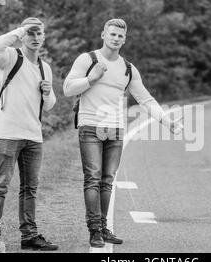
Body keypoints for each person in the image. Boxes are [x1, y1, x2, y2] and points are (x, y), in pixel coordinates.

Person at [63, 18, 183, 248]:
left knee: (107, 181)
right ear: (103, 35)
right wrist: (91, 78)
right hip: (90, 127)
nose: (116, 38)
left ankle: (104, 227)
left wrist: (168, 122)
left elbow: (145, 99)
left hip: (116, 130)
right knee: (93, 178)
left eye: (120, 36)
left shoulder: (128, 69)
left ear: (124, 39)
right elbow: (68, 89)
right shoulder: (87, 60)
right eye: (112, 34)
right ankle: (94, 230)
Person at [0, 17, 58, 252]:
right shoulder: (10, 57)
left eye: (39, 34)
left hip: (34, 137)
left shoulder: (45, 67)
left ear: (44, 36)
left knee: (29, 189)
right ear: (23, 36)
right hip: (8, 134)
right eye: (31, 33)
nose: (35, 38)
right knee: (0, 187)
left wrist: (47, 93)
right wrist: (20, 30)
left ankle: (29, 236)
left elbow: (49, 106)